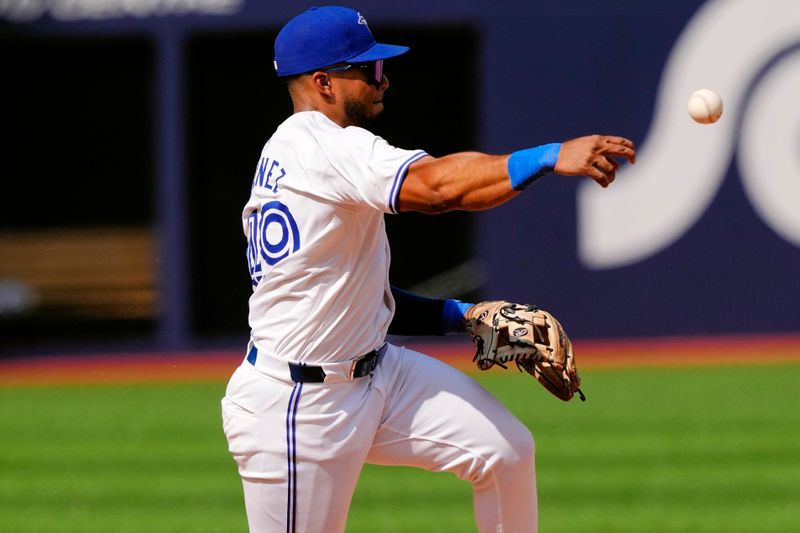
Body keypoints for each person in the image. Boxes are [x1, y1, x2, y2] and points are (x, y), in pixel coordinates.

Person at [221, 6, 635, 533]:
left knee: (505, 452)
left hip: (375, 375)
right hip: (299, 408)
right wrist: (551, 154)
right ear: (324, 82)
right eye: (367, 69)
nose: (383, 78)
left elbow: (354, 293)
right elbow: (437, 189)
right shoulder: (322, 146)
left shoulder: (294, 150)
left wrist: (462, 316)